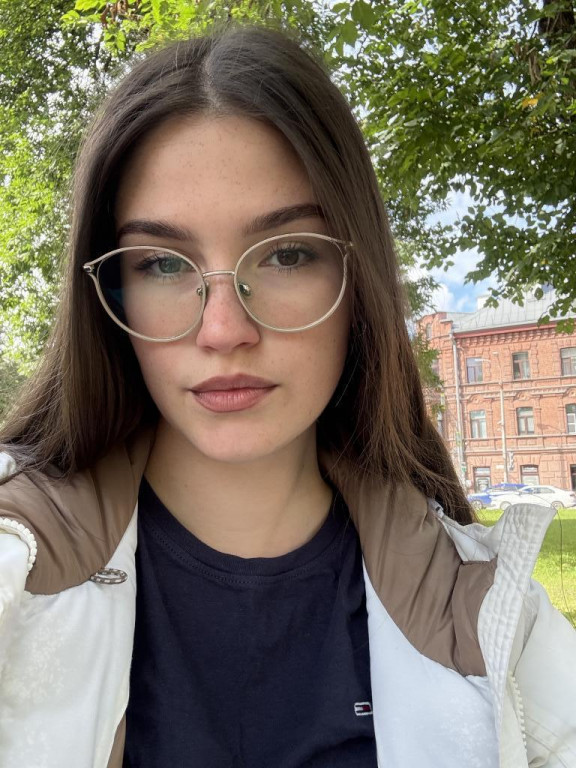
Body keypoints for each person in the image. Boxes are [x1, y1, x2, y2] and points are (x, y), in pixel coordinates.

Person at [0, 24, 574, 768]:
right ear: (109, 292)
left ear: (358, 282)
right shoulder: (16, 570)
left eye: (288, 254)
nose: (223, 330)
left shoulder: (495, 626)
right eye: (163, 264)